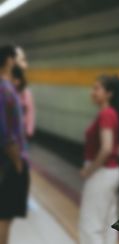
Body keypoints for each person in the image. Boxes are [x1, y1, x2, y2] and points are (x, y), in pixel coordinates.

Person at [79, 75, 119, 244]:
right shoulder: (111, 113)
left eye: (97, 89)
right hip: (110, 172)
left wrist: (89, 170)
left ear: (109, 94)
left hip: (101, 173)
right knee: (107, 225)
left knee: (90, 226)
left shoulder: (106, 114)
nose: (92, 92)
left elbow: (106, 147)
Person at [0, 45, 29, 244]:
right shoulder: (6, 90)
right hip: (8, 162)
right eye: (19, 58)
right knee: (4, 217)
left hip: (7, 160)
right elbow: (6, 133)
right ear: (10, 60)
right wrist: (18, 162)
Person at [14, 46, 35, 138]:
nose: (26, 65)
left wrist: (28, 130)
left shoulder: (25, 91)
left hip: (18, 135)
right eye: (22, 60)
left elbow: (30, 110)